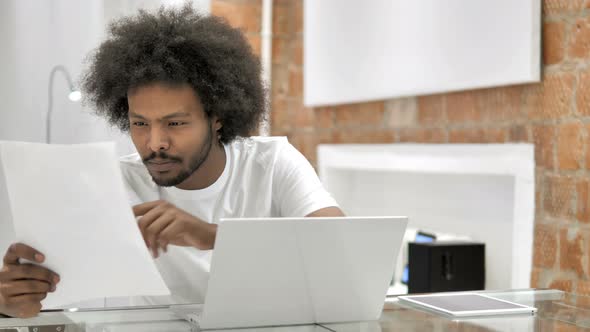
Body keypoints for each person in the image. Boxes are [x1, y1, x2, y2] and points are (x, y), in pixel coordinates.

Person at [0, 5, 343, 318]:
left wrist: (209, 235)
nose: (155, 142)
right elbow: (52, 289)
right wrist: (12, 300)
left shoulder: (272, 163)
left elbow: (341, 245)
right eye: (140, 123)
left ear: (218, 117)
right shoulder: (115, 183)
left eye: (175, 123)